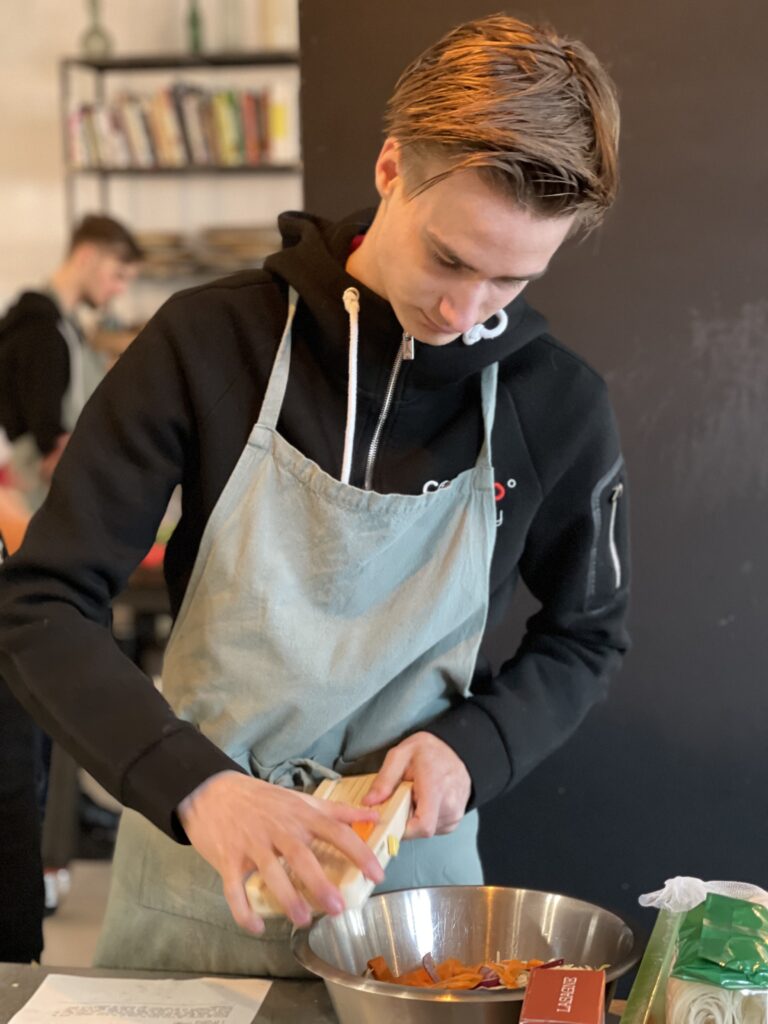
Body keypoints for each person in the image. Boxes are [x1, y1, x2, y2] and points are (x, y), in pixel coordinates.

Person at [0, 14, 629, 976]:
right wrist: (198, 787)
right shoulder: (207, 344)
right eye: (450, 260)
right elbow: (39, 606)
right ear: (389, 171)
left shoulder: (558, 405)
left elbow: (586, 635)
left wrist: (476, 747)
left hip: (414, 907)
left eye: (510, 279)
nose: (464, 316)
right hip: (196, 872)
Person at [0, 213, 142, 511]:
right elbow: (48, 434)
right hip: (43, 497)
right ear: (86, 256)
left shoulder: (65, 325)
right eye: (118, 275)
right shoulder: (42, 329)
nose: (120, 289)